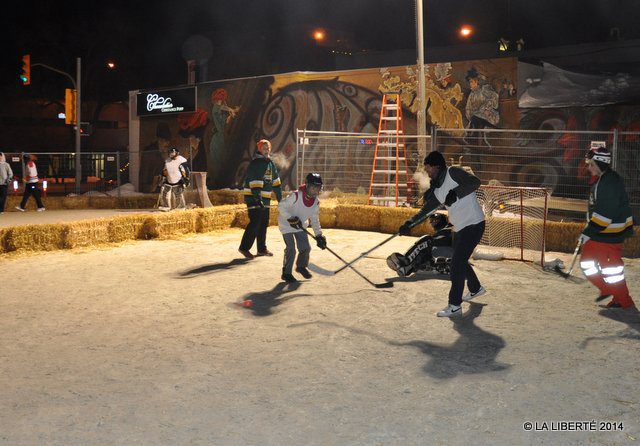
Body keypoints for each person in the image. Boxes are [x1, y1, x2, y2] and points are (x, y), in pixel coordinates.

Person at [398, 151, 485, 317]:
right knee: (460, 260)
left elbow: (475, 181)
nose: (427, 172)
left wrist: (456, 193)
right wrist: (409, 224)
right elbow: (425, 211)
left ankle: (454, 305)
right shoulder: (437, 190)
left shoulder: (453, 172)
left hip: (473, 224)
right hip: (459, 228)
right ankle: (475, 288)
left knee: (457, 264)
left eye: (428, 169)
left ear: (436, 167)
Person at [579, 147, 635, 309]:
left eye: (591, 164)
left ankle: (623, 300)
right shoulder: (604, 179)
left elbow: (606, 214)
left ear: (600, 164)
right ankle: (609, 290)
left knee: (612, 271)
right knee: (587, 263)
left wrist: (588, 231)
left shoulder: (609, 182)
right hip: (600, 233)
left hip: (608, 235)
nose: (589, 168)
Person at [277, 172, 327, 283]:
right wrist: (290, 218)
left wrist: (319, 235)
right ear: (307, 185)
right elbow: (281, 206)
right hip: (286, 225)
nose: (315, 191)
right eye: (313, 187)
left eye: (318, 188)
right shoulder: (295, 195)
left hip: (300, 226)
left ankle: (301, 266)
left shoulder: (316, 202)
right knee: (291, 249)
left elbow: (314, 220)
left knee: (306, 248)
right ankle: (286, 273)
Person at [238, 139, 282, 259]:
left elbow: (276, 182)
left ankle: (261, 249)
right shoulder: (256, 163)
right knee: (255, 223)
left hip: (265, 200)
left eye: (268, 148)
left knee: (264, 223)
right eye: (264, 148)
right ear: (259, 149)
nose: (266, 150)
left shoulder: (270, 163)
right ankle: (244, 248)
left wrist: (280, 199)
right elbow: (255, 181)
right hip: (254, 198)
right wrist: (257, 199)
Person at [387, 212, 453, 277]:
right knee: (423, 251)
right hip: (449, 253)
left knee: (426, 239)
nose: (432, 223)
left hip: (451, 251)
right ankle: (408, 268)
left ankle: (406, 260)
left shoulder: (449, 228)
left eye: (434, 221)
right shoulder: (448, 229)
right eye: (431, 221)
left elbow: (441, 240)